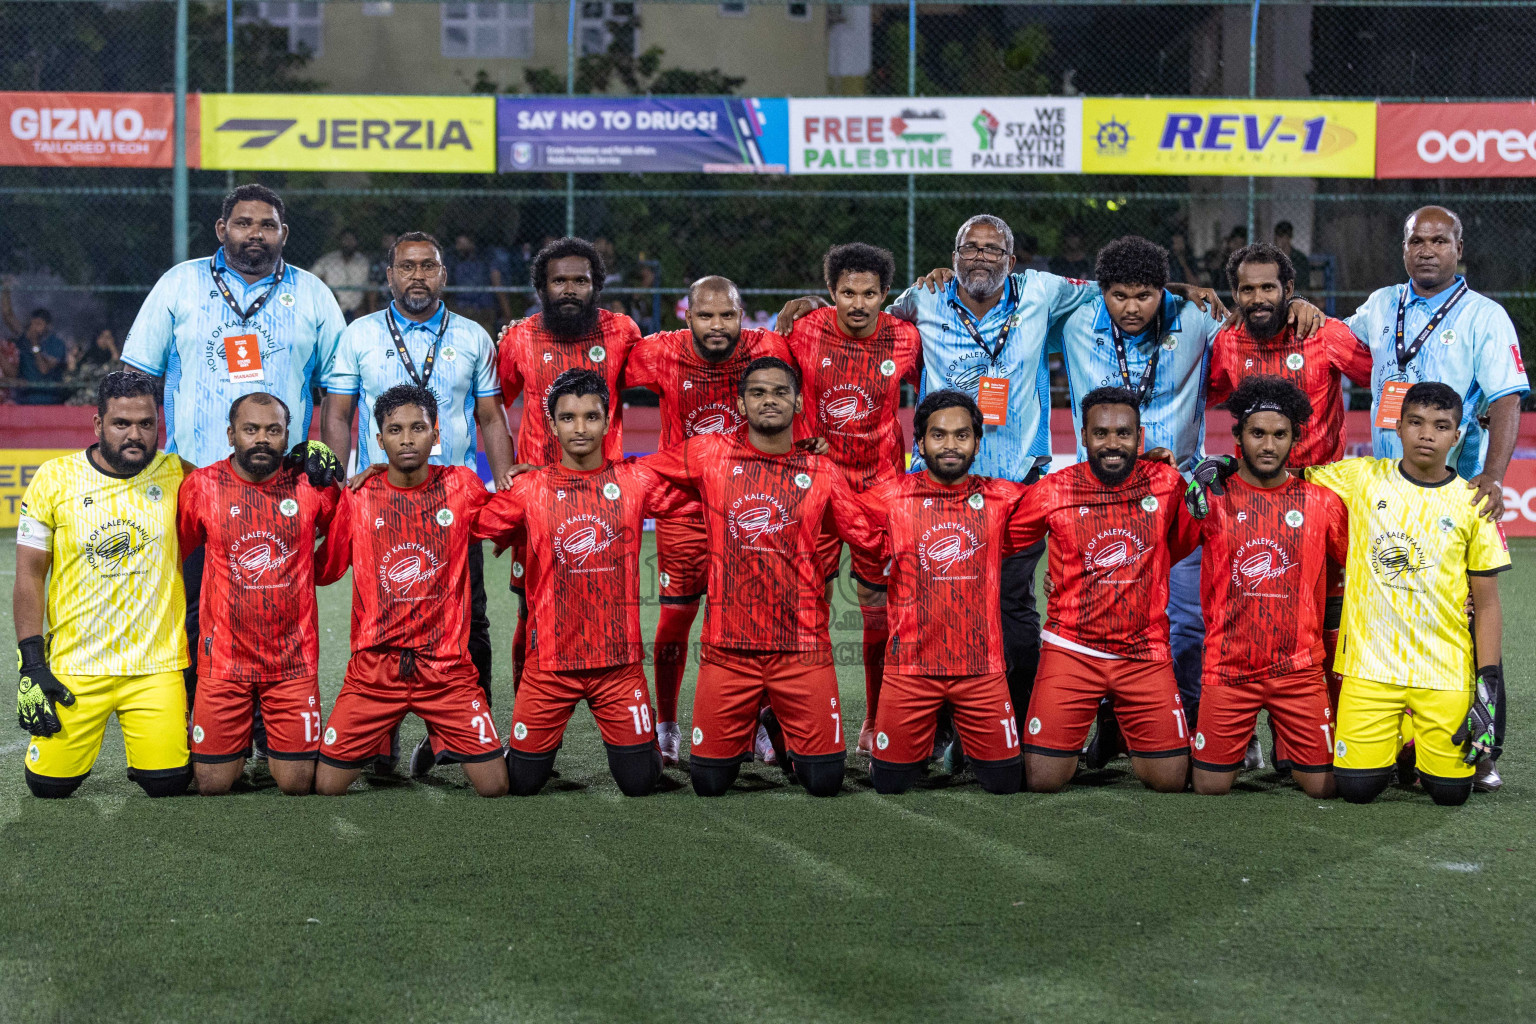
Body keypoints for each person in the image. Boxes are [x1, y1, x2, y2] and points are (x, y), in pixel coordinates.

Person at [1053, 236, 1322, 764]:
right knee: (1096, 615)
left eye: (1146, 295)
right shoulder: (1074, 317)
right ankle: (1108, 726)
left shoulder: (1198, 318)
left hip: (1179, 495)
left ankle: (1208, 726)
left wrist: (1298, 307)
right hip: (1098, 495)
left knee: (1190, 618)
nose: (1132, 308)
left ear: (1162, 293)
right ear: (1103, 293)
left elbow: (1258, 324)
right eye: (1120, 296)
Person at [120, 183, 346, 698]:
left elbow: (339, 390)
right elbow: (136, 378)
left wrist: (333, 464)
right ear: (222, 229)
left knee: (277, 604)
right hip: (194, 478)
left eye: (267, 225)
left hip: (283, 485)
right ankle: (200, 722)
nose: (255, 234)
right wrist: (138, 462)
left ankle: (274, 729)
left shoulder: (313, 293)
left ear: (283, 233)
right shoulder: (180, 284)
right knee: (195, 605)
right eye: (244, 223)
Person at [645, 357, 882, 798]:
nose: (769, 400)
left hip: (802, 649)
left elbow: (868, 532)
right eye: (757, 392)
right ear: (740, 402)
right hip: (728, 651)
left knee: (825, 783)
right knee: (709, 783)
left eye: (779, 392)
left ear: (797, 403)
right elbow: (639, 475)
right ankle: (748, 723)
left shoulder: (821, 471)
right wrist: (553, 478)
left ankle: (776, 718)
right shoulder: (709, 452)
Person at [322, 230, 514, 775]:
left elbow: (491, 417)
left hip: (454, 507)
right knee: (377, 622)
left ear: (443, 274)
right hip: (379, 507)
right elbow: (338, 414)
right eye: (406, 267)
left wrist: (504, 492)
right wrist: (335, 487)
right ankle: (377, 739)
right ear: (389, 276)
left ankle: (457, 734)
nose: (417, 276)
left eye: (428, 266)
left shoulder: (474, 336)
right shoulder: (359, 334)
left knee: (471, 620)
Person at [475, 369, 698, 797]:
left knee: (639, 784)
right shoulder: (529, 489)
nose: (580, 428)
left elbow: (705, 496)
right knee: (521, 784)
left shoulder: (635, 480)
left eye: (591, 417)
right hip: (550, 667)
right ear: (551, 424)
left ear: (608, 420)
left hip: (618, 666)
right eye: (568, 418)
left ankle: (645, 736)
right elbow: (471, 522)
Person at [1305, 383, 1508, 807]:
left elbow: (1487, 603)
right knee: (1357, 790)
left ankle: (1412, 740)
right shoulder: (1362, 476)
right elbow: (1284, 476)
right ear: (1397, 427)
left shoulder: (1474, 503)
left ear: (1458, 435)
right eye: (1415, 422)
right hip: (1370, 668)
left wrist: (1487, 682)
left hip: (1443, 672)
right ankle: (1399, 740)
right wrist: (1227, 466)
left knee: (1450, 795)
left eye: (1441, 426)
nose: (1426, 434)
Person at [625, 275, 797, 765]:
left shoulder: (769, 345)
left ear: (743, 315)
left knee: (750, 617)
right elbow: (598, 363)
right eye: (706, 315)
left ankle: (753, 725)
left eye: (727, 315)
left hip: (749, 507)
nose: (718, 326)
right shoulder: (658, 353)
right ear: (688, 317)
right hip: (685, 509)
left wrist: (807, 304)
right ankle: (665, 725)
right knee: (677, 615)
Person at [312, 384, 508, 798]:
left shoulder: (462, 486)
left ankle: (434, 742)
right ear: (378, 439)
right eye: (395, 430)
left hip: (446, 670)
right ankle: (386, 743)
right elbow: (324, 570)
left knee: (495, 787)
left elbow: (504, 520)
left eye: (417, 428)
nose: (406, 439)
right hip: (375, 671)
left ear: (436, 434)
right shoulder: (359, 498)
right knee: (327, 786)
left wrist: (535, 481)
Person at [1006, 387, 1198, 794]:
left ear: (1140, 438)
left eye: (1123, 434)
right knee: (1042, 780)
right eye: (1102, 433)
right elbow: (1006, 539)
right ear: (1083, 436)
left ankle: (1115, 724)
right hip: (1073, 648)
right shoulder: (1054, 489)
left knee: (1170, 781)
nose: (1113, 443)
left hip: (1143, 652)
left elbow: (1179, 543)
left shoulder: (1165, 481)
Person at [13, 370, 192, 798]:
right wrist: (33, 663)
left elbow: (240, 484)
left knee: (168, 784)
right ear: (98, 425)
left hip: (155, 667)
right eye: (121, 424)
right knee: (48, 787)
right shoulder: (54, 478)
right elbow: (29, 576)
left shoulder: (178, 473)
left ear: (157, 425)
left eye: (146, 424)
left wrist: (297, 459)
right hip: (76, 665)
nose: (136, 435)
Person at [784, 243, 921, 755]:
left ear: (886, 295)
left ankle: (874, 718)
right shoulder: (803, 329)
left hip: (879, 489)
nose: (858, 303)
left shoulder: (905, 338)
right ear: (831, 293)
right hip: (815, 486)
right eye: (847, 292)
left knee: (877, 608)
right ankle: (797, 715)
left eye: (869, 294)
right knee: (802, 605)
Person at [859, 390, 1026, 795]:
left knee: (1006, 784)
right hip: (911, 671)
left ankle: (961, 744)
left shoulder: (1004, 498)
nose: (950, 445)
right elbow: (836, 514)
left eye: (962, 435)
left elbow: (1067, 509)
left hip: (981, 671)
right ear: (919, 443)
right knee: (889, 784)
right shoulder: (888, 497)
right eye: (938, 435)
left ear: (976, 442)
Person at [1188, 376, 1347, 799]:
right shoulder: (1211, 497)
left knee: (1324, 786)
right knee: (1209, 786)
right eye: (1257, 433)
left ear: (1296, 438)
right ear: (1238, 435)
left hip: (1298, 670)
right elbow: (1159, 544)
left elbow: (1361, 564)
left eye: (1280, 434)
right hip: (1229, 666)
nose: (1268, 445)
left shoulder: (1321, 502)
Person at [176, 394, 340, 796]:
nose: (262, 439)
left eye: (273, 430)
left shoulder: (312, 486)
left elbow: (340, 544)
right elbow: (180, 551)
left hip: (292, 660)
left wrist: (314, 571)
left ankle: (270, 747)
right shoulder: (201, 486)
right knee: (212, 784)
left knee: (298, 784)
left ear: (289, 438)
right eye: (251, 430)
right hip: (224, 664)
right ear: (232, 434)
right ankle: (231, 747)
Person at [498, 236, 642, 685]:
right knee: (529, 612)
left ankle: (630, 714)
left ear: (597, 284)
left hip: (606, 500)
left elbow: (673, 375)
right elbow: (491, 406)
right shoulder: (520, 337)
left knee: (614, 606)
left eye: (580, 280)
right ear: (542, 286)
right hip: (538, 500)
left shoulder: (623, 332)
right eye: (559, 280)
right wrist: (508, 467)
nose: (569, 289)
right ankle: (528, 719)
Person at [1345, 207, 1528, 519]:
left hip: (1456, 490)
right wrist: (1296, 308)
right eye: (1416, 241)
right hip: (1387, 490)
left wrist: (1494, 476)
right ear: (1404, 248)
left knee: (1462, 570)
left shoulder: (1484, 316)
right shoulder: (1381, 303)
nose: (1426, 251)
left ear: (1458, 248)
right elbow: (1330, 341)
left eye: (1439, 241)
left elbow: (1506, 400)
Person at [1, 284, 67, 404]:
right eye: (33, 324)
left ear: (48, 326)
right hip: (24, 398)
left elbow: (43, 369)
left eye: (39, 324)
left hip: (49, 398)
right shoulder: (24, 338)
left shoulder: (56, 344)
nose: (34, 328)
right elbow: (8, 315)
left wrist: (34, 344)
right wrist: (5, 289)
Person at [311, 230, 372, 322]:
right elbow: (312, 276)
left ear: (356, 242)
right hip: (332, 305)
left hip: (355, 307)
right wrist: (324, 288)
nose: (348, 243)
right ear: (340, 241)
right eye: (345, 239)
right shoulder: (328, 260)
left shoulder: (363, 262)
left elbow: (369, 286)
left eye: (352, 240)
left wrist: (364, 307)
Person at [448, 234, 499, 334]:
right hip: (461, 308)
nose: (458, 248)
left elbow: (497, 283)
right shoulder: (454, 261)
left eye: (461, 243)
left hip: (483, 308)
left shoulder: (485, 259)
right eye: (457, 244)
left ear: (471, 243)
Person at [62, 328, 124, 406]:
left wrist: (113, 349)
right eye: (102, 337)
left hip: (106, 402)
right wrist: (72, 366)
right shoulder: (87, 358)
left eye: (108, 338)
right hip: (83, 401)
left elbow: (117, 371)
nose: (105, 341)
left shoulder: (116, 359)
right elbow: (71, 384)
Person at [1273, 221, 1311, 292]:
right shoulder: (1272, 256)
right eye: (1276, 236)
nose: (1277, 239)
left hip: (1295, 292)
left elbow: (1304, 281)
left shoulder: (1299, 258)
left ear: (1288, 238)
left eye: (1281, 236)